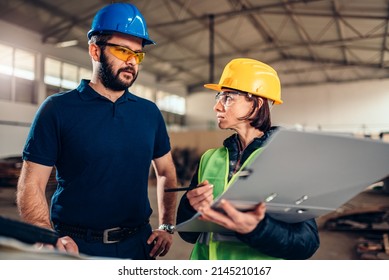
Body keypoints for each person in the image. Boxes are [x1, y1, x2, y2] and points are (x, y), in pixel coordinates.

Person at [16, 3, 178, 260]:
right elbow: (32, 182)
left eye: (137, 54)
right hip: (76, 246)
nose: (131, 61)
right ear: (94, 50)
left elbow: (167, 173)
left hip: (138, 246)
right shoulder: (58, 109)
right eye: (122, 50)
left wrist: (167, 225)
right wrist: (42, 232)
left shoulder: (149, 113)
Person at [176, 58, 320, 260]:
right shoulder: (209, 158)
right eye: (219, 96)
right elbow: (188, 235)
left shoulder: (287, 161)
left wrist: (257, 229)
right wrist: (188, 207)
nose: (217, 106)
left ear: (257, 103)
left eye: (228, 97)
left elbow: (306, 243)